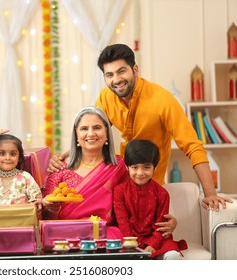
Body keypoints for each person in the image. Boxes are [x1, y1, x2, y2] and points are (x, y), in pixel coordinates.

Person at [48, 43, 232, 214]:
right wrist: (70, 152)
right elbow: (93, 131)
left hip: (148, 184)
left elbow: (193, 146)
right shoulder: (106, 97)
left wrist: (209, 193)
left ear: (135, 69)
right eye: (109, 75)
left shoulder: (163, 100)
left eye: (121, 71)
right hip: (117, 181)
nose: (116, 80)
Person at [42, 106, 129, 239]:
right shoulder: (60, 169)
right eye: (84, 128)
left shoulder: (118, 167)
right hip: (66, 237)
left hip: (103, 235)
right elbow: (46, 217)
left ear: (106, 132)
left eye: (97, 127)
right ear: (76, 134)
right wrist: (51, 208)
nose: (91, 133)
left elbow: (130, 205)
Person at [114, 139, 187, 260]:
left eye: (146, 167)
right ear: (127, 167)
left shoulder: (162, 194)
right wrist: (132, 244)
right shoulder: (119, 191)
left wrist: (153, 244)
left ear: (155, 167)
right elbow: (123, 222)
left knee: (173, 255)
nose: (140, 173)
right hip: (128, 239)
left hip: (157, 239)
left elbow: (161, 225)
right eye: (135, 167)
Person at [0, 134, 43, 216]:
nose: (7, 158)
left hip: (23, 221)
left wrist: (36, 204)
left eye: (13, 154)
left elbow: (36, 199)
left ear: (19, 157)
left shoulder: (25, 177)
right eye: (2, 154)